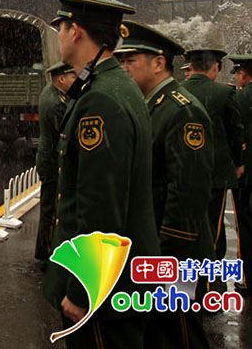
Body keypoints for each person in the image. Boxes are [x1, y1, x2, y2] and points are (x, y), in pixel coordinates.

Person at [42, 0, 159, 349]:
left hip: (104, 293)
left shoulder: (101, 100)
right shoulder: (113, 85)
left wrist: (83, 290)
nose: (59, 36)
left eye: (61, 27)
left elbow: (101, 206)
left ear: (75, 31)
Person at [116, 21, 213, 348]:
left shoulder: (182, 112)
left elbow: (188, 195)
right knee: (158, 333)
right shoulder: (151, 105)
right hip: (155, 246)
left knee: (180, 333)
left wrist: (166, 255)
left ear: (159, 63)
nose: (124, 68)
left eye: (131, 61)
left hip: (176, 252)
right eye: (122, 61)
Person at [183, 48, 245, 261]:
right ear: (216, 67)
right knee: (213, 225)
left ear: (191, 66)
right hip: (216, 170)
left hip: (185, 169)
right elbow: (235, 132)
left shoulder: (179, 92)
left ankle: (189, 267)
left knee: (188, 222)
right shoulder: (224, 93)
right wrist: (238, 163)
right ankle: (210, 268)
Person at [34, 61, 76, 264]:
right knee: (51, 211)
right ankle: (47, 255)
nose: (75, 80)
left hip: (46, 157)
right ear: (61, 79)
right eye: (72, 77)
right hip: (52, 160)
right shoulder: (58, 102)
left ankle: (44, 250)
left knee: (48, 207)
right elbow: (64, 132)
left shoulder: (48, 92)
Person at [228, 54, 252, 293]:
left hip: (247, 172)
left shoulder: (239, 99)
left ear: (243, 74)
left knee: (245, 224)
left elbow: (235, 134)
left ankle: (248, 278)